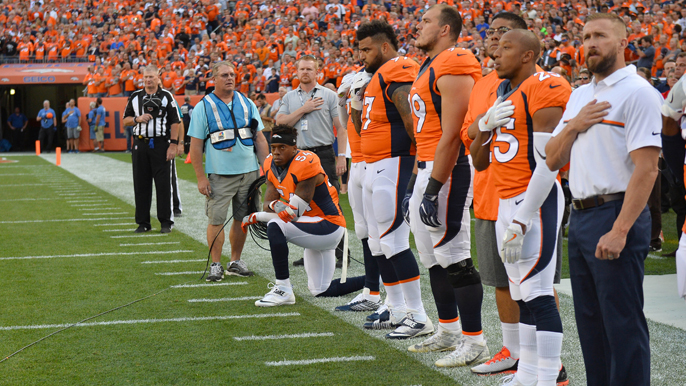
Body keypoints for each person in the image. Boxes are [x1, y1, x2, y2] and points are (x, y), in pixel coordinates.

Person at [546, 13, 661, 386]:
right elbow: (552, 157)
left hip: (616, 212)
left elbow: (647, 169)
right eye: (585, 36)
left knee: (622, 324)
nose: (590, 43)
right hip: (579, 217)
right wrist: (576, 124)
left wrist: (620, 229)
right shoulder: (580, 94)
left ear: (622, 43)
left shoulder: (638, 91)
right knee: (591, 326)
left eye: (600, 36)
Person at [462, 14, 567, 382]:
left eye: (507, 47)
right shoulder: (504, 95)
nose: (495, 54)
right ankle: (528, 372)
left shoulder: (547, 85)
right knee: (521, 292)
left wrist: (523, 216)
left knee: (538, 291)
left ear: (529, 55)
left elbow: (549, 164)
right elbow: (478, 160)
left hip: (534, 201)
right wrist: (485, 128)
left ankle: (551, 375)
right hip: (503, 199)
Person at [403, 4, 487, 365]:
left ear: (445, 29)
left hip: (449, 171)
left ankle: (475, 340)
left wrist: (434, 187)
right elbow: (427, 134)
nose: (417, 27)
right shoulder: (430, 64)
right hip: (426, 167)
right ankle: (449, 329)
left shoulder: (456, 61)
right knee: (434, 260)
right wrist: (415, 183)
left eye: (425, 21)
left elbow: (453, 133)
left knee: (454, 257)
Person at [242, 124, 365, 305]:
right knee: (321, 290)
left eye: (282, 148)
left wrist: (257, 216)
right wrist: (271, 208)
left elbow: (291, 213)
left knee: (276, 226)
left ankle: (283, 289)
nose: (276, 152)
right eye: (273, 147)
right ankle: (377, 279)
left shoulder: (306, 163)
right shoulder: (270, 163)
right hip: (310, 226)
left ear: (294, 148)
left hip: (328, 225)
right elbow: (268, 206)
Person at [188, 61, 270, 281]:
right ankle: (216, 264)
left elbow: (260, 139)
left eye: (232, 74)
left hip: (250, 172)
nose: (230, 78)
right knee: (216, 219)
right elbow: (195, 145)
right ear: (213, 78)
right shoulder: (203, 107)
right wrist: (200, 177)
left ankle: (235, 260)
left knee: (242, 219)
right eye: (224, 75)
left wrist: (267, 168)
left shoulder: (247, 102)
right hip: (220, 175)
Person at [275, 54, 348, 267]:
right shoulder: (289, 98)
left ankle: (341, 253)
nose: (305, 72)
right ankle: (311, 251)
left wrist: (341, 156)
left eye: (309, 69)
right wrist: (303, 109)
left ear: (317, 72)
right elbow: (280, 122)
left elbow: (341, 128)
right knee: (303, 205)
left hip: (323, 153)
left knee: (331, 204)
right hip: (298, 156)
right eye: (302, 69)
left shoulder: (329, 95)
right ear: (296, 72)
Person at [122, 65, 182, 234]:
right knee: (141, 184)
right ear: (143, 78)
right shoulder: (135, 97)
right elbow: (125, 120)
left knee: (163, 185)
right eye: (146, 77)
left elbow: (175, 122)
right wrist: (137, 118)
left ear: (158, 77)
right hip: (140, 144)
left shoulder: (166, 96)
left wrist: (173, 144)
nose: (148, 80)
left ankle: (165, 222)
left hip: (161, 144)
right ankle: (143, 222)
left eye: (151, 77)